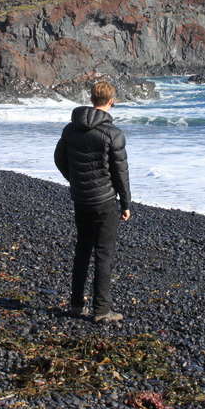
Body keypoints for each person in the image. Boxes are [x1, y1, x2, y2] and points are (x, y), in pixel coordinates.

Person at [54, 81, 131, 323]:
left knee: (82, 250)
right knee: (104, 254)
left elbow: (59, 159)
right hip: (105, 200)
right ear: (111, 101)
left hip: (81, 197)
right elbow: (120, 172)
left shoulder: (71, 129)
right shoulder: (113, 133)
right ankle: (101, 310)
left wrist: (75, 180)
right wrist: (126, 203)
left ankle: (76, 305)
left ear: (91, 99)